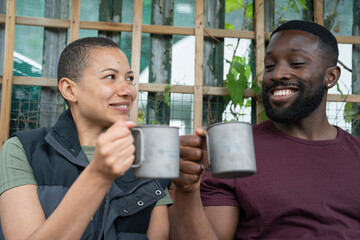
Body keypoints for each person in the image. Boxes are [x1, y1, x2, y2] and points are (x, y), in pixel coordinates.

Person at [170, 20, 360, 240]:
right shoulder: (234, 152)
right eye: (269, 66)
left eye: (296, 63)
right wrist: (187, 190)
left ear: (331, 77)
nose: (277, 74)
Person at [0, 37, 172, 240]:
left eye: (130, 79)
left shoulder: (149, 153)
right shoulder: (23, 150)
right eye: (110, 77)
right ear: (70, 90)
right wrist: (98, 174)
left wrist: (189, 190)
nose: (128, 91)